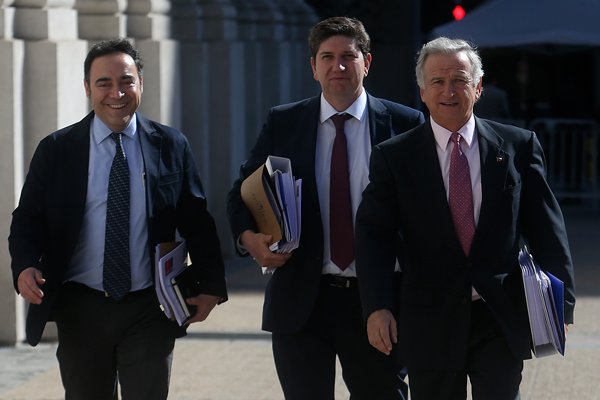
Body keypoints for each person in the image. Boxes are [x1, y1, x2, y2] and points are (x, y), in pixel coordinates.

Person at [355, 36, 575, 400]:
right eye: (437, 82)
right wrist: (377, 307)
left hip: (499, 315)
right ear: (422, 91)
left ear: (478, 87)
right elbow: (373, 237)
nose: (449, 91)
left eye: (459, 79)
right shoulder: (395, 156)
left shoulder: (518, 146)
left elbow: (547, 228)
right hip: (428, 317)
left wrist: (561, 304)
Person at [8, 38, 228, 400]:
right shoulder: (58, 150)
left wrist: (212, 285)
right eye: (104, 83)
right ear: (87, 89)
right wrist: (25, 266)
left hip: (149, 306)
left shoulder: (170, 145)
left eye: (126, 81)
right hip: (80, 307)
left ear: (141, 82)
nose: (116, 93)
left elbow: (196, 219)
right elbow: (28, 218)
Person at [227, 16, 424, 400]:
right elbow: (243, 191)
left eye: (349, 57)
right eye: (327, 57)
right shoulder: (284, 122)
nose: (338, 67)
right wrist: (249, 238)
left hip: (379, 301)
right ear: (313, 67)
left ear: (367, 63)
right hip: (303, 298)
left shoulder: (406, 123)